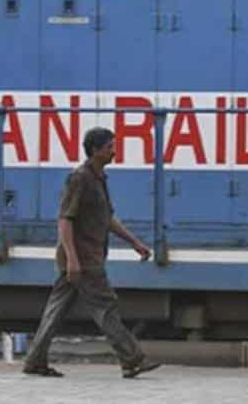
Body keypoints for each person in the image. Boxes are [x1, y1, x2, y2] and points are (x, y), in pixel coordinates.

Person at [22, 127, 160, 379]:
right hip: (83, 260)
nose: (114, 151)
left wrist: (135, 242)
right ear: (95, 150)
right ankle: (132, 359)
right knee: (105, 306)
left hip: (85, 257)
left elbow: (107, 219)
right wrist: (73, 259)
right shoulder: (79, 178)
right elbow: (65, 220)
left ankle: (34, 360)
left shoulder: (99, 178)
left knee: (55, 310)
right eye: (110, 147)